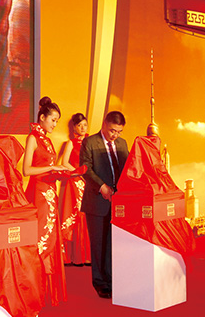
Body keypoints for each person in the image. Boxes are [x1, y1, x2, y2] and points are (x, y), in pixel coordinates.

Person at [23, 96, 72, 306]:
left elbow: (47, 169)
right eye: (53, 120)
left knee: (51, 240)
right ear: (42, 117)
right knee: (39, 240)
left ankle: (48, 292)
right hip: (38, 195)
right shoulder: (32, 138)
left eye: (57, 121)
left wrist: (61, 173)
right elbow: (27, 170)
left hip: (50, 195)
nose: (55, 124)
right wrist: (52, 168)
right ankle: (35, 290)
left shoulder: (48, 141)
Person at [80, 110, 128, 299]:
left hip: (119, 202)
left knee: (114, 243)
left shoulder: (122, 144)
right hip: (97, 201)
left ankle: (114, 279)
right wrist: (102, 187)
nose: (115, 135)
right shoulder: (90, 142)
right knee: (99, 244)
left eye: (119, 131)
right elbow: (86, 169)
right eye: (112, 130)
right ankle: (101, 283)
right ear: (104, 125)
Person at [59, 112, 91, 266]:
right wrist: (79, 173)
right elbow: (65, 162)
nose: (83, 128)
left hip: (89, 181)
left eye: (85, 125)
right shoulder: (70, 143)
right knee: (77, 215)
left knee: (88, 215)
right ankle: (75, 256)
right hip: (76, 181)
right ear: (74, 128)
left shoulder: (91, 141)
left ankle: (87, 256)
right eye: (79, 125)